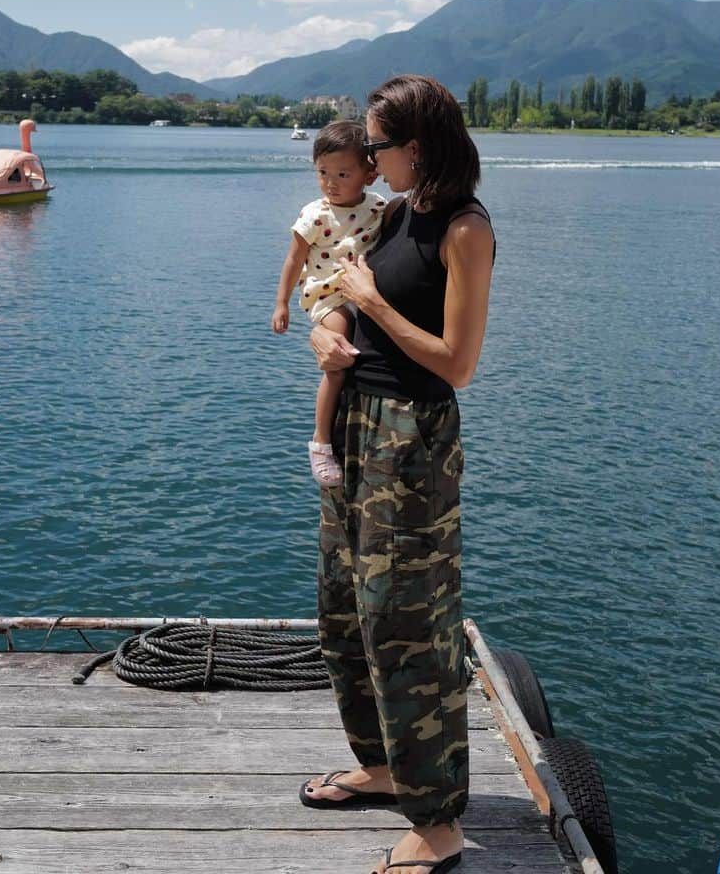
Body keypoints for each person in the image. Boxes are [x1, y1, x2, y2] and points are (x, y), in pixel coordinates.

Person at [299, 75, 495, 874]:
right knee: (344, 612)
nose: (368, 160)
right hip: (355, 432)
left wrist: (371, 305)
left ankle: (439, 820)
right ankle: (381, 765)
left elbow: (459, 364)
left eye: (377, 146)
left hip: (411, 441)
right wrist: (326, 327)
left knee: (407, 628)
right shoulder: (398, 212)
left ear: (416, 145)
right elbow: (344, 297)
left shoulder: (464, 228)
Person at [271, 120, 388, 486]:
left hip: (365, 292)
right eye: (322, 172)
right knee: (337, 361)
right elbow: (293, 260)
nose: (330, 183)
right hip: (329, 297)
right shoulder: (314, 215)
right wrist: (282, 304)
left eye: (341, 173)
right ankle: (320, 441)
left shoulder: (380, 207)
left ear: (370, 175)